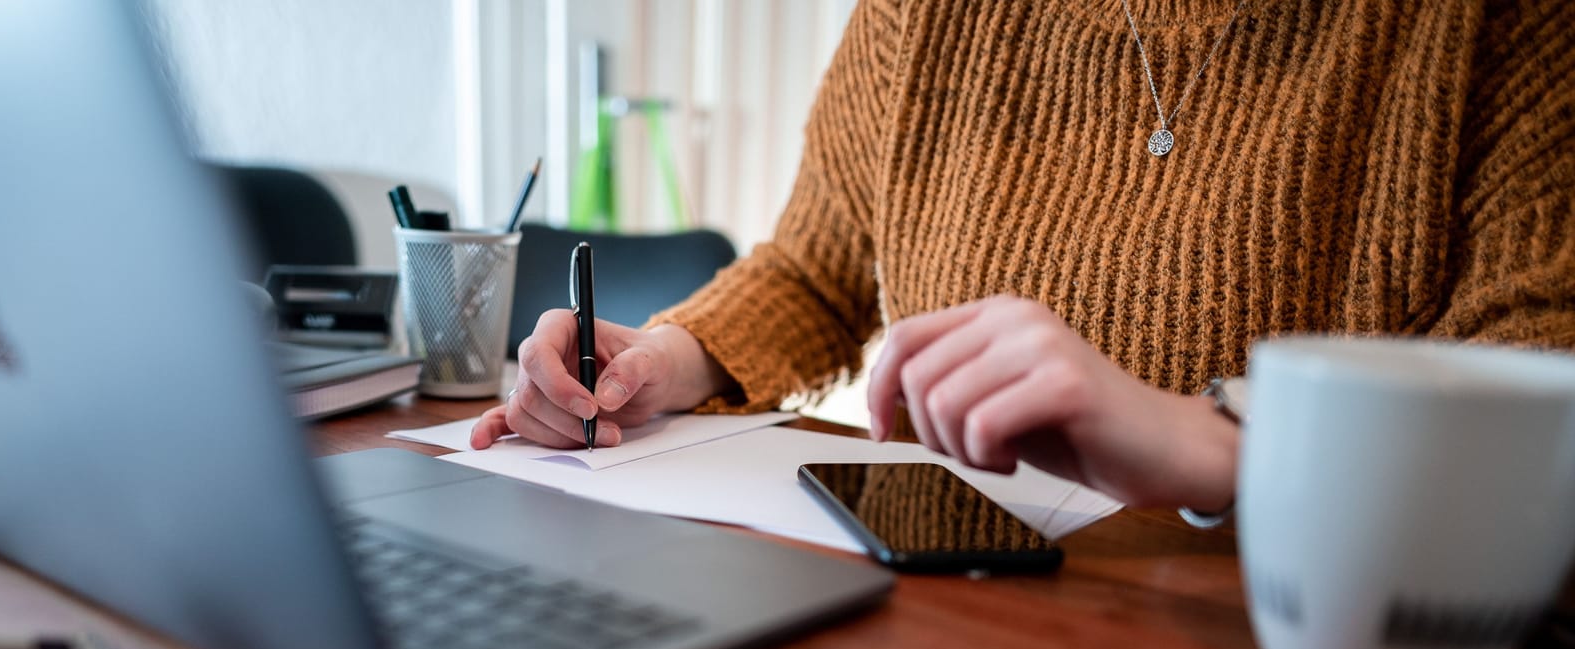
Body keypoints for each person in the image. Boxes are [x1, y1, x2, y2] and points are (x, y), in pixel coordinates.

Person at [473, 0, 1574, 516]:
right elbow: (817, 267)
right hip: (951, 619)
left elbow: (1543, 395)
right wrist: (666, 356)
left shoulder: (1499, 29)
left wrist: (1219, 440)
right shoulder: (926, 17)